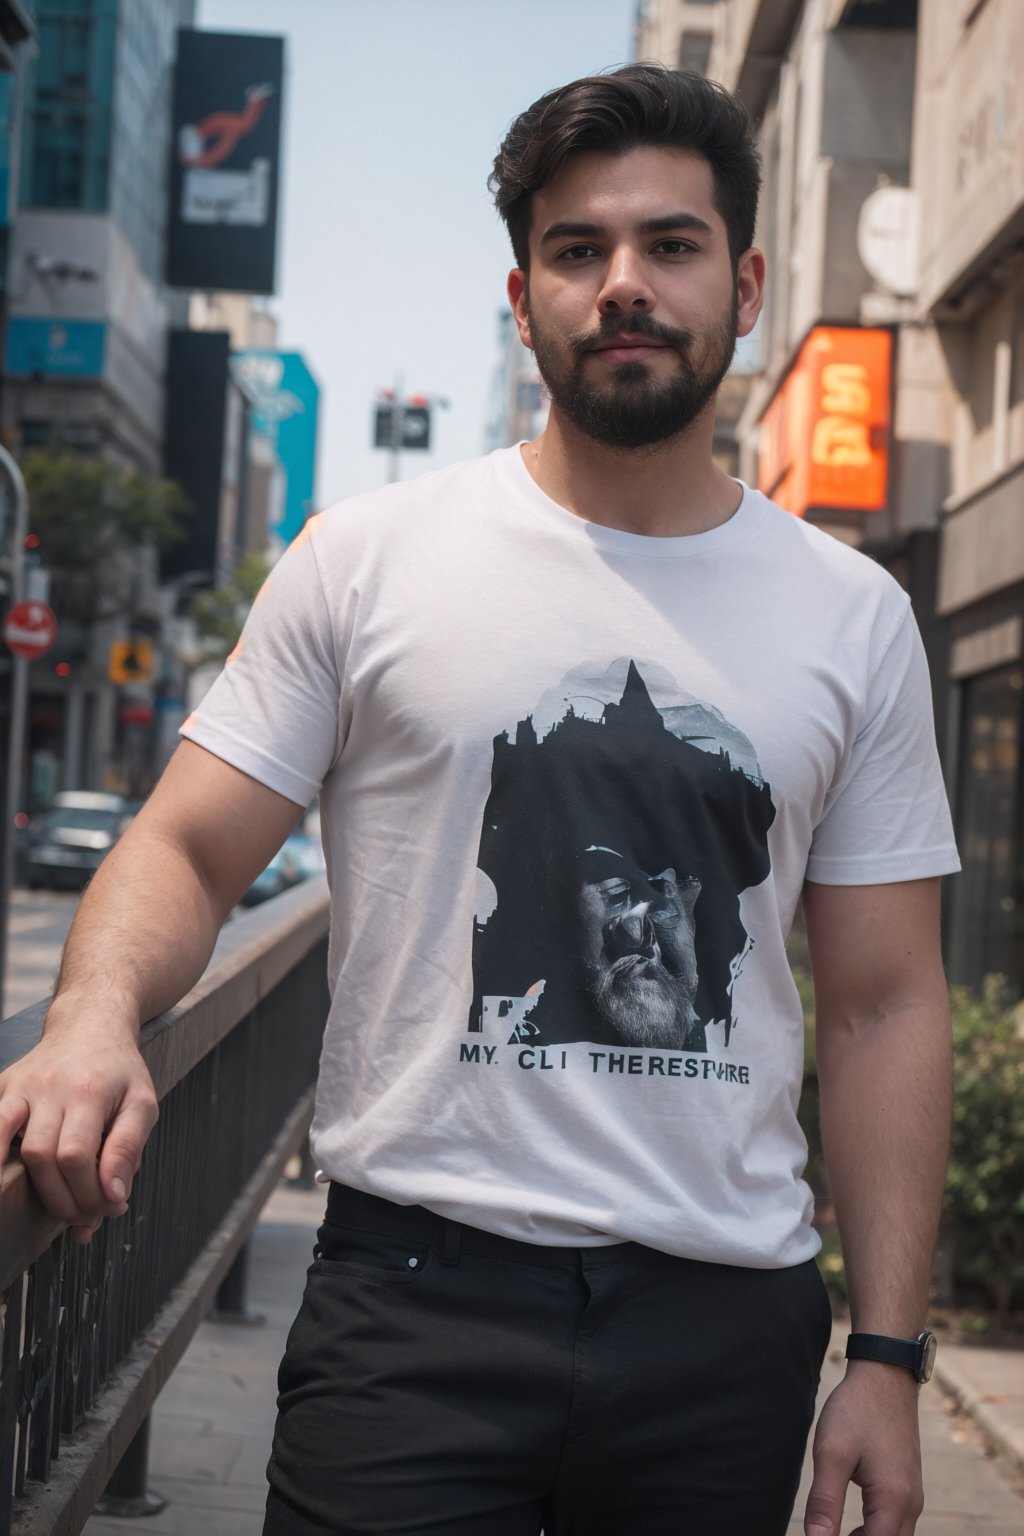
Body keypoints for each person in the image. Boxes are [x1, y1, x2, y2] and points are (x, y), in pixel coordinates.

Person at [0, 65, 959, 1536]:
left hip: (721, 1329)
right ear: (524, 298)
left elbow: (886, 1001)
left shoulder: (857, 618)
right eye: (579, 251)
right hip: (413, 1309)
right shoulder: (366, 561)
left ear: (747, 282)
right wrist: (89, 1019)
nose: (624, 284)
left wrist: (887, 1357)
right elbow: (188, 848)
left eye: (672, 245)